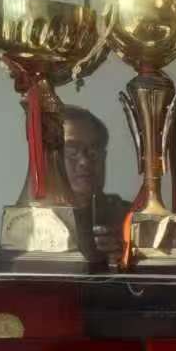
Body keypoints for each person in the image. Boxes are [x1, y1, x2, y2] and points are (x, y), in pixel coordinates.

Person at [61, 106, 130, 262]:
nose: (85, 162)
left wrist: (129, 257)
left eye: (93, 153)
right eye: (72, 152)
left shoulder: (130, 219)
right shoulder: (33, 222)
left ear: (103, 158)